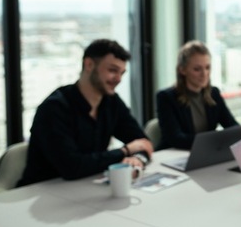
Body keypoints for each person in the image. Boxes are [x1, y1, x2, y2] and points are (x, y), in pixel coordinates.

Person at [18, 39, 153, 187]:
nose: (119, 79)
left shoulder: (111, 101)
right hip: (43, 191)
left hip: (86, 187)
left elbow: (143, 142)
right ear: (89, 65)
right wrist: (125, 151)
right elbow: (72, 167)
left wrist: (138, 158)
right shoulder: (54, 108)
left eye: (122, 73)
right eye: (112, 70)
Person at [156, 40, 241, 150]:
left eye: (207, 67)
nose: (204, 74)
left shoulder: (213, 93)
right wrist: (215, 141)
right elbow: (176, 139)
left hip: (204, 153)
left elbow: (232, 126)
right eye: (197, 69)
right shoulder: (166, 97)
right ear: (182, 70)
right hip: (174, 154)